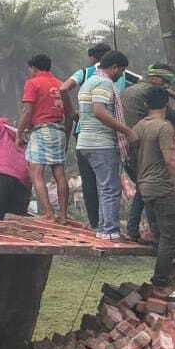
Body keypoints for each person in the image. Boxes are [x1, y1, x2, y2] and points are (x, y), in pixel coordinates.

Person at [134, 87, 175, 286]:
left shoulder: (139, 126)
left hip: (144, 186)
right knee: (171, 235)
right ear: (166, 105)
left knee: (160, 234)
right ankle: (160, 281)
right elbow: (170, 159)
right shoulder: (164, 127)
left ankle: (162, 277)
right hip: (161, 187)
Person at [74, 51, 135, 239]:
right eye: (122, 70)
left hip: (85, 141)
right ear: (115, 67)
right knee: (110, 187)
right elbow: (100, 111)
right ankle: (110, 230)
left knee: (103, 187)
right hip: (100, 143)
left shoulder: (88, 83)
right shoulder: (104, 83)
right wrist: (127, 130)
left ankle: (103, 228)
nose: (121, 75)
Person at [122, 65, 175, 240]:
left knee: (143, 187)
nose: (165, 87)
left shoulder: (131, 90)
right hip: (145, 146)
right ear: (156, 79)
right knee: (148, 187)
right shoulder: (153, 95)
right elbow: (170, 115)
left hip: (128, 145)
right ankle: (149, 231)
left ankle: (137, 229)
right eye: (165, 83)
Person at [17, 54, 74, 222]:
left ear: (34, 68)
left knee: (36, 172)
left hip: (42, 129)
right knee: (59, 172)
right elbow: (70, 112)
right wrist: (67, 136)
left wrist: (19, 133)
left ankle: (48, 213)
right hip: (59, 130)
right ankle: (63, 215)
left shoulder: (33, 83)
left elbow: (27, 111)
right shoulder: (59, 84)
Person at [66, 42, 114, 227]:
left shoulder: (85, 73)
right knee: (109, 182)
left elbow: (64, 88)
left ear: (93, 57)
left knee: (89, 181)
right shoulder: (121, 72)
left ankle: (95, 223)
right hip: (111, 132)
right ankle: (108, 223)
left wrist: (72, 114)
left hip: (83, 134)